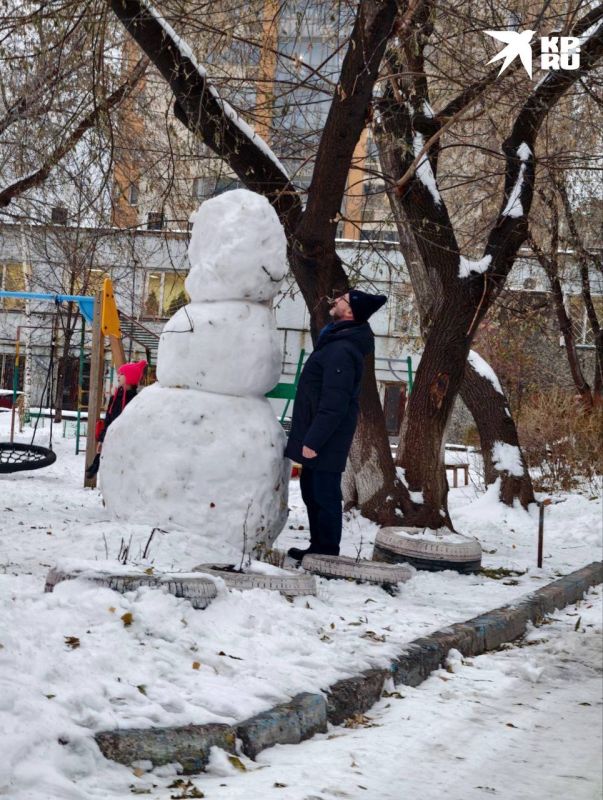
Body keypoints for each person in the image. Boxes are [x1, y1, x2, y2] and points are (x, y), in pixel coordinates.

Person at [284, 290, 387, 560]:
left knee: (324, 492)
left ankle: (327, 552)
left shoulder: (342, 349)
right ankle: (318, 547)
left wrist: (313, 440)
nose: (334, 301)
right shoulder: (336, 341)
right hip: (319, 434)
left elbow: (335, 403)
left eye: (341, 300)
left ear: (350, 312)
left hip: (327, 438)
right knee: (311, 489)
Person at [85, 359, 147, 479]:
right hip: (111, 437)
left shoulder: (135, 399)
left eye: (122, 374)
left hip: (124, 442)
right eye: (119, 374)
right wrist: (102, 439)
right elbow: (109, 419)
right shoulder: (115, 397)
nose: (118, 376)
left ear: (130, 377)